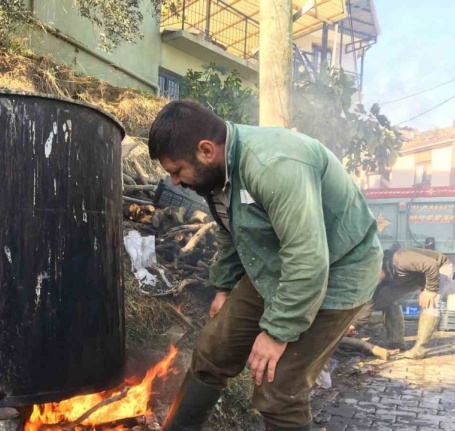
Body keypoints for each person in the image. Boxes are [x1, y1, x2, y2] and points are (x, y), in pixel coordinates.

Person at [147, 101, 382, 431]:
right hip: (276, 264)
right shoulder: (217, 172)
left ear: (205, 150)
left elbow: (307, 259)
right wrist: (225, 286)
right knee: (212, 352)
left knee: (278, 389)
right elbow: (234, 230)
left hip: (339, 269)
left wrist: (277, 331)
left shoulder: (274, 165)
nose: (173, 182)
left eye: (176, 171)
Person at [353, 246, 452, 359]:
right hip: (415, 275)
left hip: (439, 268)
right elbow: (370, 301)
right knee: (388, 299)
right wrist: (355, 324)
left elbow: (431, 264)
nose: (373, 282)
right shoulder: (377, 278)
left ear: (377, 267)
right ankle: (396, 341)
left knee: (430, 303)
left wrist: (430, 290)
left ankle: (419, 349)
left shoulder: (399, 259)